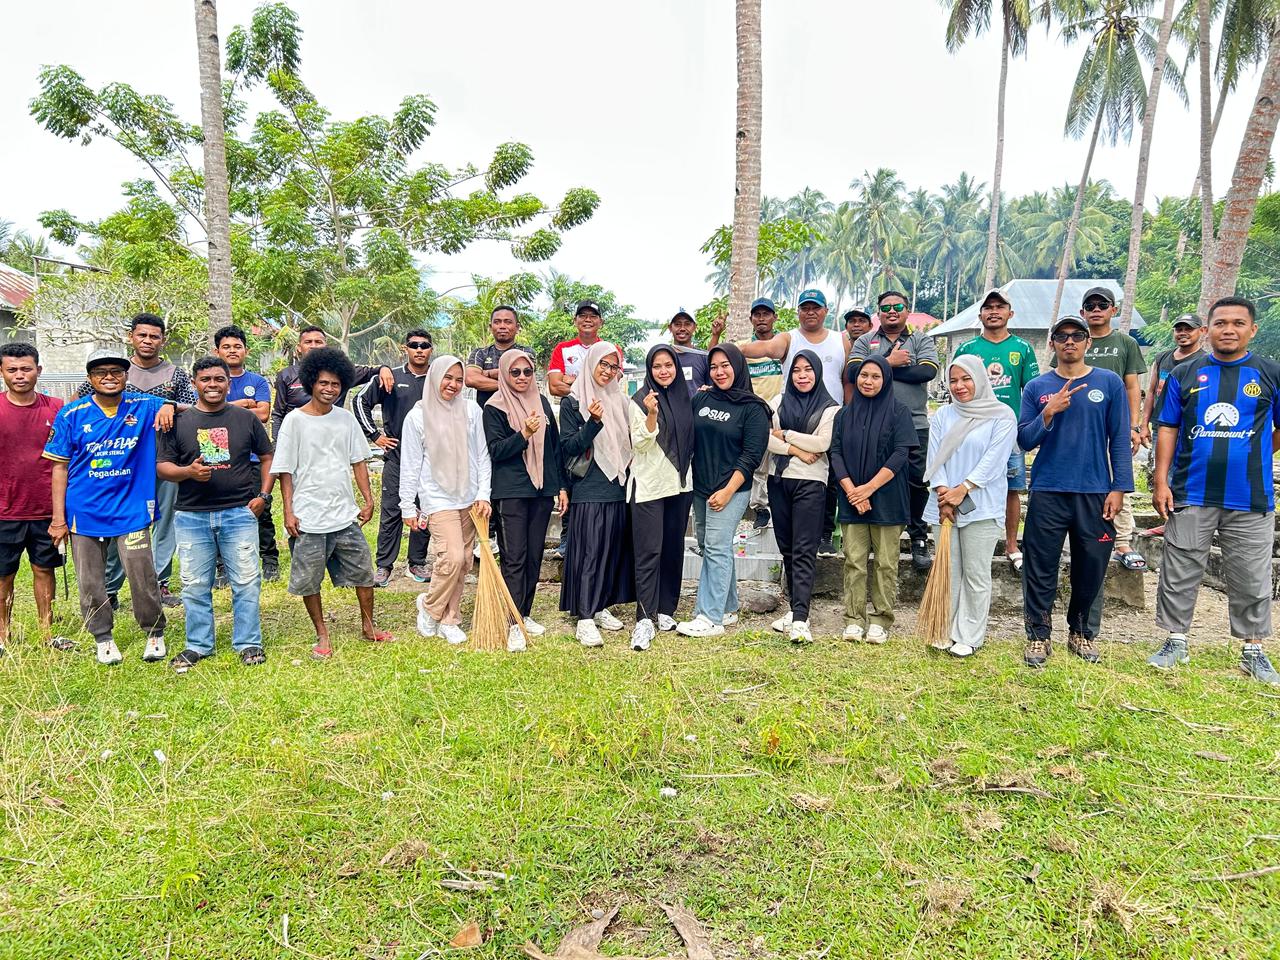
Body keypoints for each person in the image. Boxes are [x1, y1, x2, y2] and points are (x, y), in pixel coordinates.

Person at [1147, 297, 1280, 685]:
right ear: (1207, 330)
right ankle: (1175, 641)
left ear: (1251, 330)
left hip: (1251, 495)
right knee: (1180, 567)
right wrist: (1160, 480)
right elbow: (1167, 427)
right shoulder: (1185, 374)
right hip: (1190, 490)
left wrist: (1251, 450)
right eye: (1221, 322)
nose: (1229, 329)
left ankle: (1252, 650)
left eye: (1238, 323)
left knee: (1251, 574)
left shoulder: (1270, 373)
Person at [45, 348, 174, 665]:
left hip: (132, 510)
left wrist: (169, 405)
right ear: (90, 378)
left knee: (141, 574)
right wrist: (58, 519)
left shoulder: (143, 405)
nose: (109, 376)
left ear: (126, 376)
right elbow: (59, 468)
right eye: (101, 372)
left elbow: (187, 406)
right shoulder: (71, 414)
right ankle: (103, 637)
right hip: (83, 512)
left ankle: (154, 632)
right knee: (90, 580)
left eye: (116, 371)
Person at [1018, 316, 1132, 669]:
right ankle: (1038, 635)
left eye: (1077, 336)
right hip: (1048, 488)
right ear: (1052, 343)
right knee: (1040, 565)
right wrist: (1048, 414)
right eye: (1062, 336)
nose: (1070, 342)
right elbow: (1024, 439)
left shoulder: (1108, 383)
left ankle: (1081, 631)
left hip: (1095, 491)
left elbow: (1120, 439)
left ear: (1088, 343)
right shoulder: (1037, 387)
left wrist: (1119, 488)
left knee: (1092, 564)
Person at [271, 348, 392, 659]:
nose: (329, 389)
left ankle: (368, 626)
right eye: (323, 383)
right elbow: (284, 469)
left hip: (344, 514)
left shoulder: (346, 420)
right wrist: (288, 510)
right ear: (312, 382)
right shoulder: (294, 422)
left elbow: (358, 462)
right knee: (310, 580)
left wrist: (368, 499)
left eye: (336, 384)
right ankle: (322, 634)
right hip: (308, 516)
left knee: (364, 573)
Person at [157, 357, 274, 672]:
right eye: (205, 379)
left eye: (219, 379)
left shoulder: (244, 418)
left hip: (239, 513)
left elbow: (267, 456)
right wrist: (188, 472)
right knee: (194, 585)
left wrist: (264, 495)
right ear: (195, 382)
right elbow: (162, 467)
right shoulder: (177, 422)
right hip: (191, 516)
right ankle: (198, 645)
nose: (212, 384)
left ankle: (249, 642)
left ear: (227, 382)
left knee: (246, 582)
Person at [75, 313, 196, 609]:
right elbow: (80, 404)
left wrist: (169, 404)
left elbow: (192, 407)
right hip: (120, 461)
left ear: (162, 340)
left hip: (163, 457)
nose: (148, 341)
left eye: (154, 336)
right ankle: (112, 587)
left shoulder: (174, 374)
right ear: (131, 336)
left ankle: (160, 582)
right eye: (142, 335)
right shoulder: (113, 371)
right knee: (120, 523)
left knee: (164, 520)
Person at [739, 290, 851, 555]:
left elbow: (847, 380)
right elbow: (763, 348)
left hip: (828, 418)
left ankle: (825, 533)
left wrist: (848, 413)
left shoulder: (840, 340)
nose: (810, 312)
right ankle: (787, 536)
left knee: (830, 478)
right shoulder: (789, 338)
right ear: (798, 311)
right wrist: (731, 349)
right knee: (786, 477)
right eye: (805, 308)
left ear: (826, 310)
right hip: (791, 416)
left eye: (816, 307)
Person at [922, 356, 1017, 657]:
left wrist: (963, 489)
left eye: (966, 379)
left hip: (982, 506)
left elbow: (995, 459)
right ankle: (944, 629)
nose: (959, 386)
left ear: (980, 379)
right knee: (948, 570)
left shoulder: (1001, 415)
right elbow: (934, 457)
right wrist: (943, 493)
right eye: (954, 380)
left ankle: (969, 635)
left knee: (976, 574)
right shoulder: (943, 416)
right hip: (943, 505)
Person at [1051, 287, 1148, 574]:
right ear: (1082, 311)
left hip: (1113, 423)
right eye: (1089, 305)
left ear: (1113, 310)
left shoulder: (1124, 342)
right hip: (1076, 425)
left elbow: (1133, 385)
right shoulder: (1066, 344)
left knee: (1119, 480)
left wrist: (1133, 425)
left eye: (1102, 305)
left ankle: (1122, 542)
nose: (1096, 309)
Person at [677, 344, 770, 638]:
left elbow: (751, 456)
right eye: (714, 366)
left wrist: (729, 490)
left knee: (716, 547)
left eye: (725, 365)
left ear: (738, 367)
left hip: (731, 488)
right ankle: (729, 607)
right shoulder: (702, 398)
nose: (719, 372)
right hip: (702, 487)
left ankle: (709, 617)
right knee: (710, 546)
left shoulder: (754, 408)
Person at [400, 356, 493, 646]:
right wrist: (406, 505)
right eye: (447, 378)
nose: (453, 384)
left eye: (458, 379)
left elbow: (482, 455)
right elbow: (411, 464)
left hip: (469, 496)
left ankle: (450, 619)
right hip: (437, 497)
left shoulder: (471, 410)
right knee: (451, 557)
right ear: (435, 377)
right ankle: (429, 606)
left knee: (465, 560)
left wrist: (483, 494)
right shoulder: (417, 417)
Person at [847, 291, 941, 572]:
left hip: (915, 423)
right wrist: (890, 362)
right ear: (878, 313)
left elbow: (925, 373)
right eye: (885, 307)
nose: (891, 311)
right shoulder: (866, 340)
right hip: (871, 425)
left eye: (897, 306)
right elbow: (853, 373)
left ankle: (918, 538)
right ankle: (877, 536)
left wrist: (875, 366)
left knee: (916, 482)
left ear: (907, 310)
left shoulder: (920, 340)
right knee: (874, 478)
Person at [831, 356, 918, 644]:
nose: (868, 381)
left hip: (888, 499)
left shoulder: (899, 412)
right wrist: (852, 491)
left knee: (885, 563)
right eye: (864, 375)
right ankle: (854, 618)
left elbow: (900, 454)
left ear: (886, 380)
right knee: (853, 561)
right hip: (851, 498)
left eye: (876, 376)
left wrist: (867, 489)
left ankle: (881, 619)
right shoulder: (844, 415)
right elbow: (836, 454)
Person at [484, 350, 566, 651]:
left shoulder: (541, 402)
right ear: (505, 374)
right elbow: (496, 450)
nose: (521, 377)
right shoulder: (494, 407)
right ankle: (511, 620)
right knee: (514, 556)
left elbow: (554, 449)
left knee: (533, 555)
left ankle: (525, 612)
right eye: (515, 372)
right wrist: (524, 433)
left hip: (542, 491)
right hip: (512, 491)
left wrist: (560, 487)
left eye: (527, 372)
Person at [953, 289, 1040, 570]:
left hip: (1008, 432)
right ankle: (969, 538)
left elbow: (1032, 391)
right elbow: (956, 388)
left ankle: (1012, 545)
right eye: (987, 307)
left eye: (999, 307)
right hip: (972, 429)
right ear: (980, 315)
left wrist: (1025, 426)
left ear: (1009, 314)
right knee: (967, 482)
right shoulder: (968, 349)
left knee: (1011, 488)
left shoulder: (1022, 349)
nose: (993, 311)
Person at [559, 341, 635, 646]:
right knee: (590, 551)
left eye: (612, 366)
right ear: (590, 364)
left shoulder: (620, 401)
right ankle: (585, 617)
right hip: (589, 487)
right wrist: (592, 423)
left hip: (617, 484)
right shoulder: (574, 401)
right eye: (602, 364)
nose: (607, 371)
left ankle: (601, 605)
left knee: (610, 549)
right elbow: (568, 447)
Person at [766, 351, 838, 644]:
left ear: (817, 373)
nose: (802, 375)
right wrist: (795, 448)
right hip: (779, 479)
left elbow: (822, 443)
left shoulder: (830, 408)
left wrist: (786, 435)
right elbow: (765, 438)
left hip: (810, 483)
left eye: (808, 370)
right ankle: (798, 611)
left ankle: (799, 618)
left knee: (804, 549)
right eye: (797, 370)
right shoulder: (777, 402)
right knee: (787, 549)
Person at [0, 343, 68, 654]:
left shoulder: (57, 408)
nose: (19, 375)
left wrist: (60, 516)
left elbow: (67, 460)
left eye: (26, 369)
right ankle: (3, 636)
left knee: (44, 569)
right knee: (4, 576)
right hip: (5, 510)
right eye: (12, 369)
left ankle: (46, 633)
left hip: (47, 509)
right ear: (2, 372)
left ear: (38, 371)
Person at [628, 345, 695, 651]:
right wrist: (652, 414)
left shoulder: (686, 399)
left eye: (669, 365)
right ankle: (644, 616)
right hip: (650, 486)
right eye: (657, 366)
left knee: (672, 549)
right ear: (649, 370)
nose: (664, 371)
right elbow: (640, 443)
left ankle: (666, 610)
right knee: (648, 552)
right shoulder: (639, 401)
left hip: (681, 486)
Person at [356, 328, 432, 586]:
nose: (419, 350)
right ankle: (384, 566)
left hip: (430, 460)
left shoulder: (438, 378)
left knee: (424, 510)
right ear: (405, 348)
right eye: (414, 345)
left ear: (431, 349)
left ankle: (417, 563)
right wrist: (374, 435)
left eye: (424, 345)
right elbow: (360, 401)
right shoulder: (391, 377)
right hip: (398, 457)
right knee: (391, 511)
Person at [709, 297, 784, 529]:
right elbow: (713, 359)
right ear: (751, 319)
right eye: (757, 315)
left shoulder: (783, 345)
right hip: (748, 410)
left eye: (766, 314)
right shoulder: (742, 347)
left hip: (778, 409)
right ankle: (759, 508)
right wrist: (716, 335)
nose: (761, 318)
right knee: (755, 460)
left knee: (776, 461)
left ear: (774, 317)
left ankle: (775, 505)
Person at [214, 325, 279, 582]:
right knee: (219, 513)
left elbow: (263, 414)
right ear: (216, 351)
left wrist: (224, 406)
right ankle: (222, 566)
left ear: (246, 350)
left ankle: (270, 561)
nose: (232, 351)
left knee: (260, 510)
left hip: (252, 457)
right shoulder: (210, 379)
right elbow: (206, 408)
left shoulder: (257, 381)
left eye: (237, 346)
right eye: (226, 346)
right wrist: (241, 405)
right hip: (217, 455)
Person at [270, 324, 395, 437]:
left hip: (333, 438)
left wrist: (384, 368)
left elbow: (372, 371)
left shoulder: (341, 371)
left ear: (325, 345)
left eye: (318, 342)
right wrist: (276, 444)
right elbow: (277, 414)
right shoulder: (286, 375)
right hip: (297, 438)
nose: (313, 346)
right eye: (308, 342)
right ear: (299, 347)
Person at [1139, 313, 1206, 502]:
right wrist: (1144, 425)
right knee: (1161, 470)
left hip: (1189, 427)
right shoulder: (1163, 358)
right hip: (1161, 425)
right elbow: (1151, 391)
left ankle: (1177, 514)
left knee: (1183, 471)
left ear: (1201, 331)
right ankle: (1166, 515)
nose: (1183, 333)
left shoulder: (1204, 361)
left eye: (1188, 329)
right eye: (1179, 329)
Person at [547, 301, 622, 398]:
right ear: (575, 320)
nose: (587, 320)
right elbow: (554, 387)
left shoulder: (612, 350)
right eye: (582, 316)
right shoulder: (562, 349)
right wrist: (595, 386)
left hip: (602, 410)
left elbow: (611, 385)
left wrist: (574, 381)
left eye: (593, 316)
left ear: (601, 322)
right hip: (571, 410)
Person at [465, 305, 536, 407]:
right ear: (491, 327)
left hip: (520, 413)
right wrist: (509, 381)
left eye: (508, 322)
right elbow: (471, 379)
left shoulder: (526, 353)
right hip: (485, 414)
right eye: (497, 322)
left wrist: (486, 373)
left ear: (517, 327)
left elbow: (525, 381)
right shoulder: (479, 353)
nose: (502, 326)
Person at [667, 308, 709, 395]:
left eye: (687, 324)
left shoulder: (703, 357)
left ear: (694, 327)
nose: (682, 328)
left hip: (698, 408)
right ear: (670, 328)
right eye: (677, 324)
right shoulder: (663, 357)